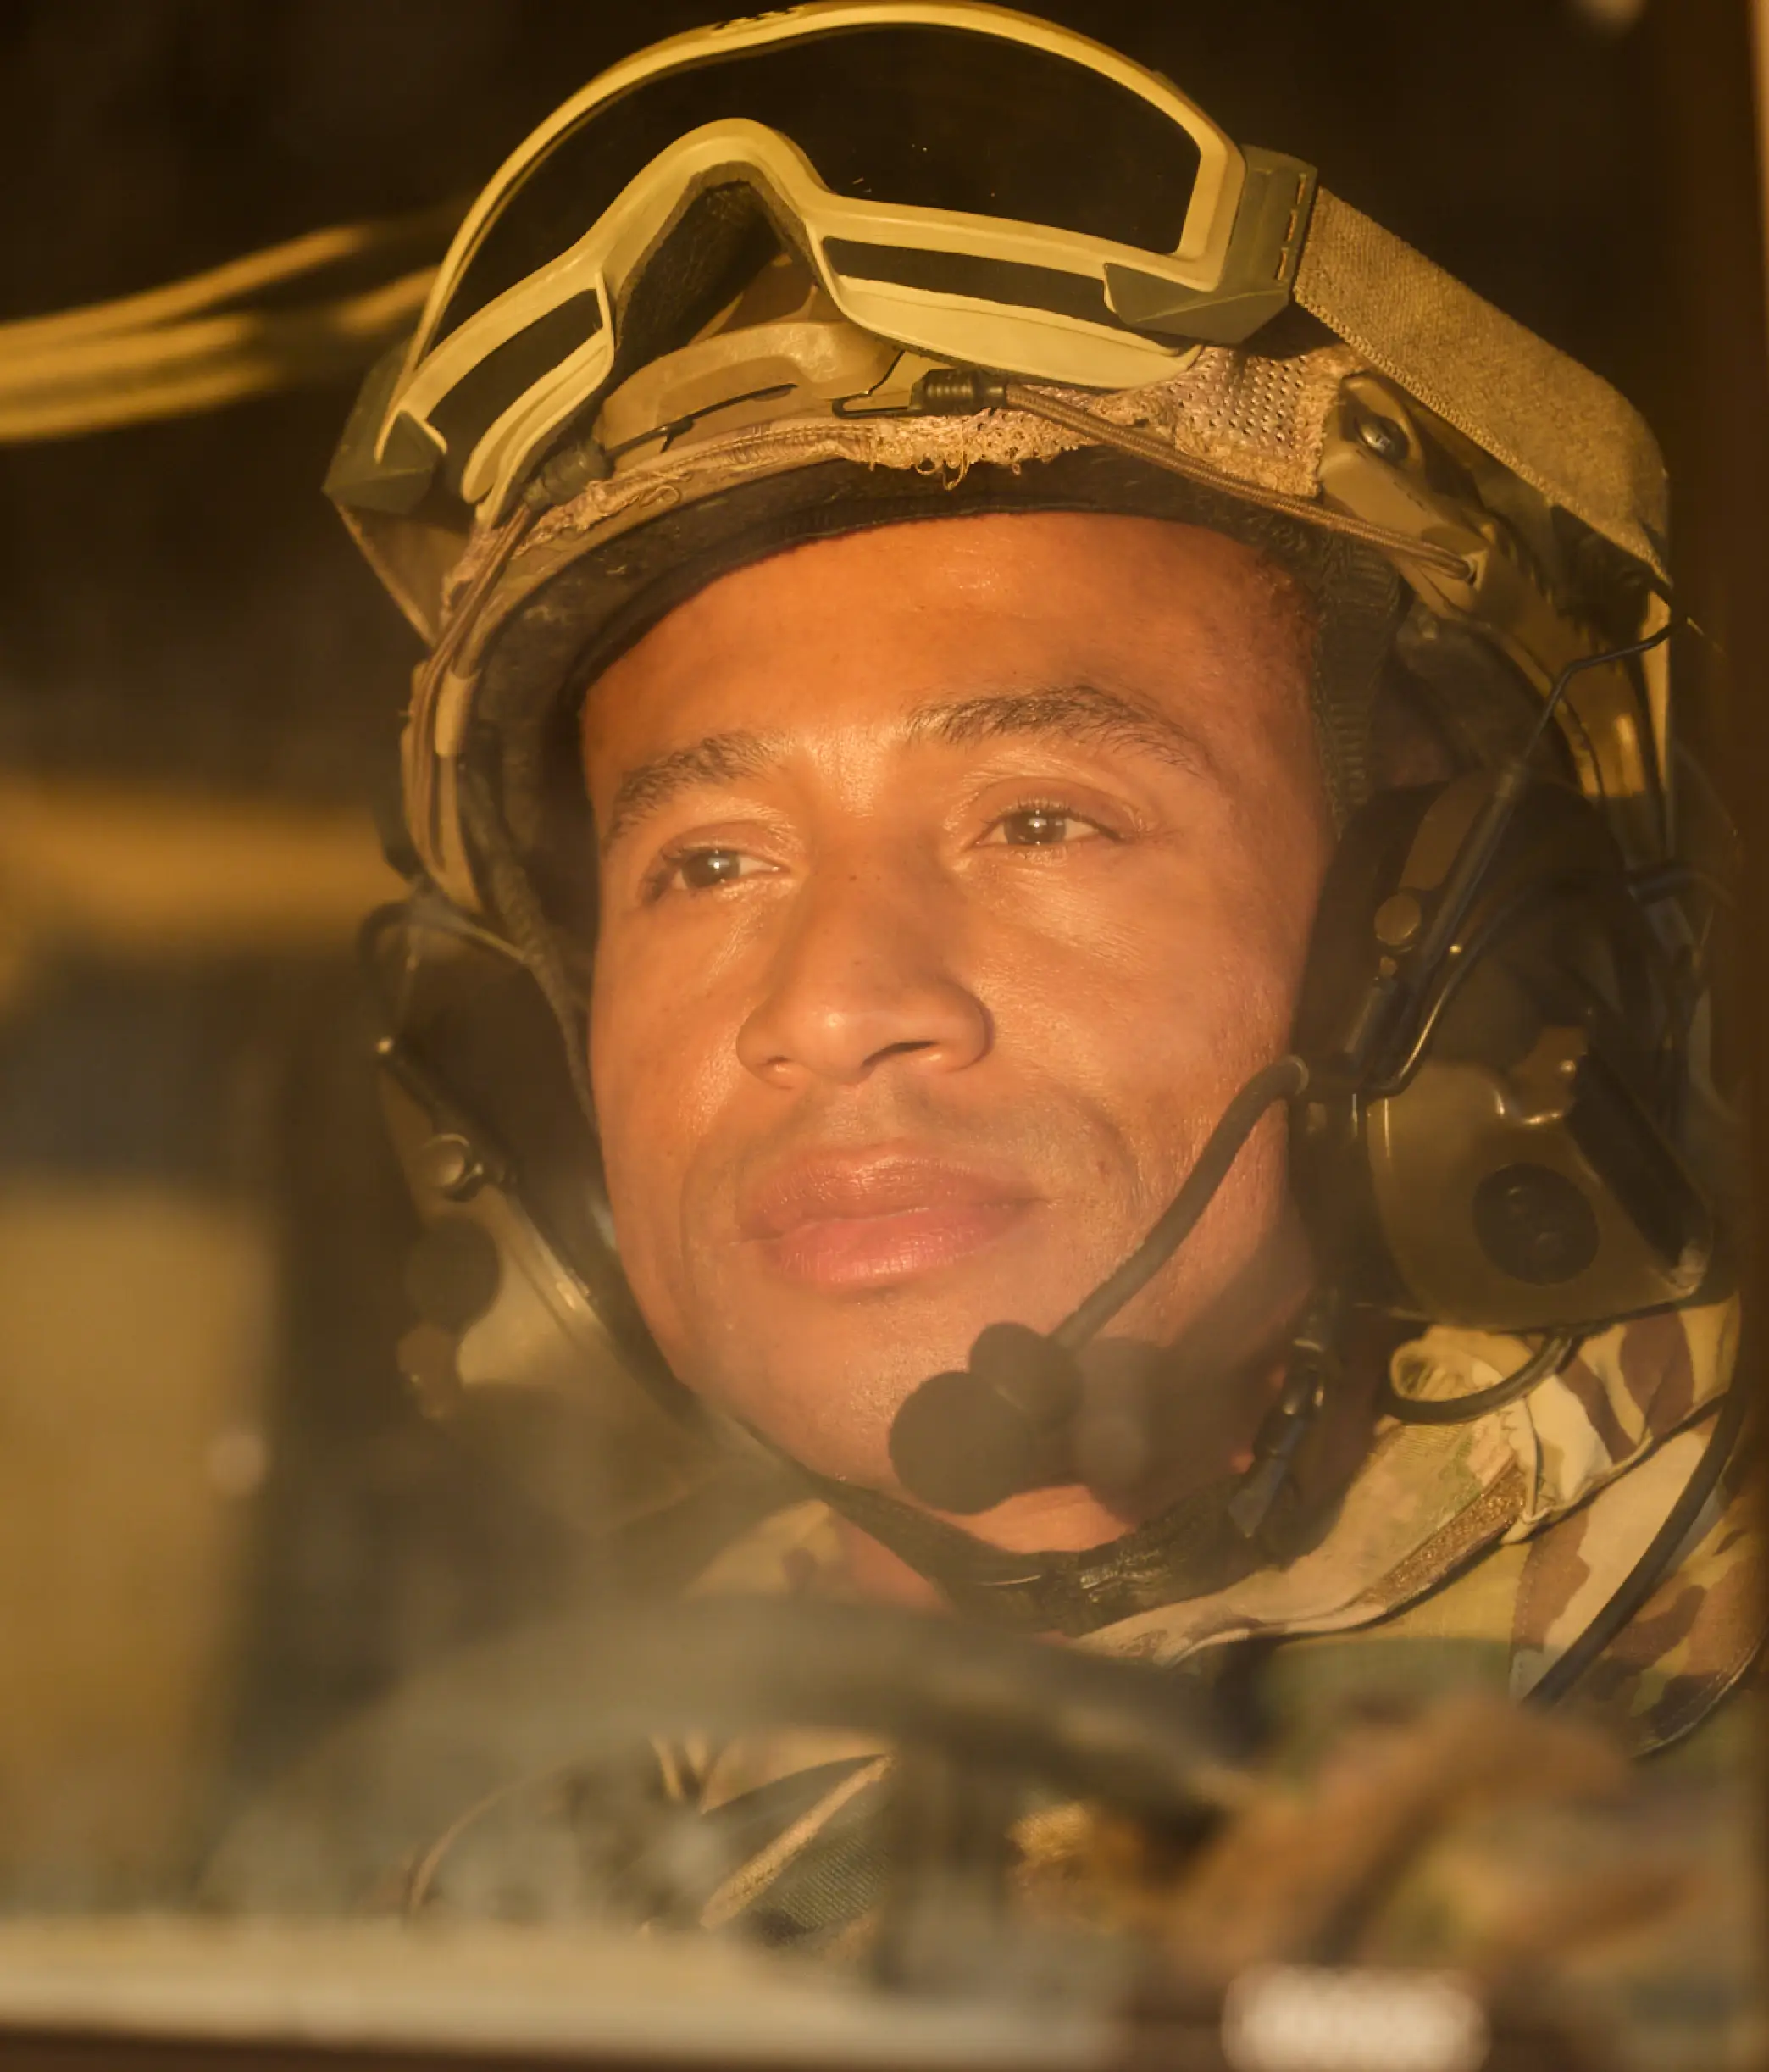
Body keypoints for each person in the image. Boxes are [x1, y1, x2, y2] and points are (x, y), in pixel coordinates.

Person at [302, 1, 1758, 1953]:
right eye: (708, 861)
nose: (831, 1002)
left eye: (1040, 820)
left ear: (1441, 947)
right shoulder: (450, 1870)